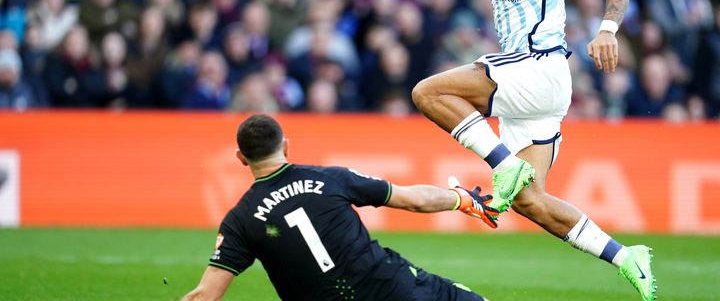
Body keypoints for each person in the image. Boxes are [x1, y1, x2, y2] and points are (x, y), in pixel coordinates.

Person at [410, 0, 656, 300]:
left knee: (428, 92)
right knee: (530, 201)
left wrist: (607, 30)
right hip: (533, 91)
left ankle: (504, 165)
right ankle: (625, 256)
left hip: (537, 68)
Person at [181, 114, 498, 301]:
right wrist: (462, 198)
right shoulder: (330, 178)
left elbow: (206, 294)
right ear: (286, 145)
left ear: (241, 158)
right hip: (389, 288)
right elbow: (415, 200)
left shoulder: (240, 219)